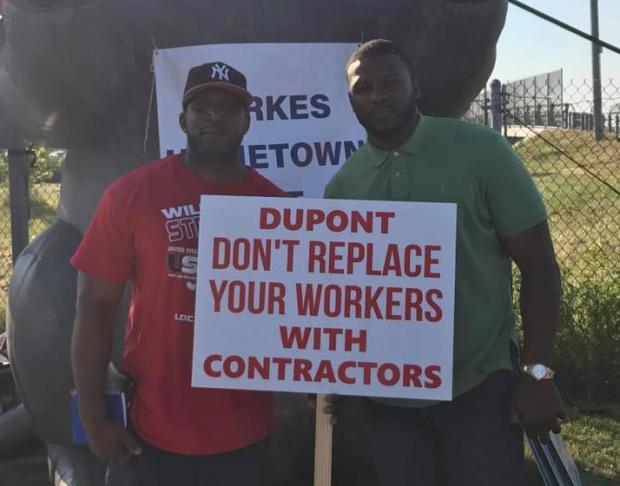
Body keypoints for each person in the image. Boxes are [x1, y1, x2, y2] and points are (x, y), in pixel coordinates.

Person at [323, 39, 565, 486]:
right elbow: (348, 299)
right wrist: (337, 370)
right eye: (364, 87)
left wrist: (536, 374)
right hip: (388, 402)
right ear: (350, 99)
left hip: (478, 390)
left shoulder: (482, 152)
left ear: (416, 87)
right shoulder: (343, 187)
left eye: (392, 82)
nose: (378, 95)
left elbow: (539, 267)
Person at [71, 62, 287, 486]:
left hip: (247, 434)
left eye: (229, 108)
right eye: (202, 106)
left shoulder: (276, 207)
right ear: (181, 118)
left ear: (248, 122)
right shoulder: (131, 194)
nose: (215, 117)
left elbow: (302, 316)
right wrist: (92, 418)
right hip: (149, 432)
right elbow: (94, 306)